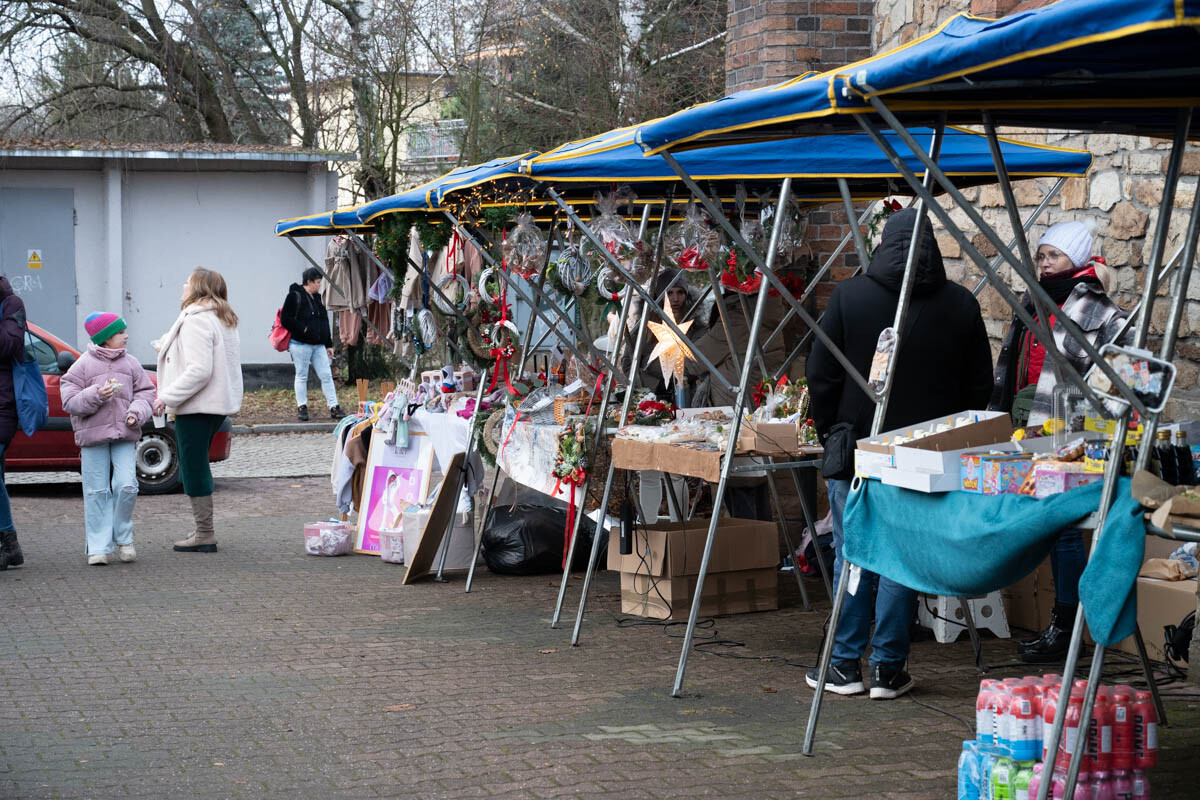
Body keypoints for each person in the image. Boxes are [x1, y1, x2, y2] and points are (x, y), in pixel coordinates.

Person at [806, 209, 993, 698]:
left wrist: (833, 429)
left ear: (883, 244)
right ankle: (889, 666)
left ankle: (844, 663)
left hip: (858, 447)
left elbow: (820, 374)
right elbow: (978, 387)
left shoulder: (850, 296)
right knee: (901, 558)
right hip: (925, 452)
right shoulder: (960, 305)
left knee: (856, 555)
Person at [989, 219, 1129, 663]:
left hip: (1074, 436)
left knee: (1066, 530)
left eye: (1054, 255)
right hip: (1028, 430)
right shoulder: (1033, 300)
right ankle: (1060, 623)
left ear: (1079, 259)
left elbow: (1119, 380)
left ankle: (1065, 628)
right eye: (1042, 255)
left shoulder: (1103, 312)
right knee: (1049, 527)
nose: (1045, 263)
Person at [153, 268, 244, 553]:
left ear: (199, 289)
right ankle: (203, 529)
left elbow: (199, 370)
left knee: (193, 467)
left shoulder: (197, 320)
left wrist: (166, 396)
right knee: (196, 464)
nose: (182, 285)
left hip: (197, 405)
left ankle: (205, 533)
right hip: (214, 405)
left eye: (188, 282)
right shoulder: (222, 318)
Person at [60, 312, 156, 565]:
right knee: (96, 491)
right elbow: (69, 401)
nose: (126, 336)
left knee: (127, 485)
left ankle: (124, 539)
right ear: (105, 338)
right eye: (120, 332)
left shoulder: (131, 363)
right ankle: (98, 547)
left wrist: (136, 413)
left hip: (124, 435)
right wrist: (96, 394)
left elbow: (146, 393)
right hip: (93, 438)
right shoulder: (82, 365)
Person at [281, 267, 343, 421]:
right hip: (300, 344)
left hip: (319, 345)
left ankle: (334, 407)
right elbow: (285, 319)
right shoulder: (294, 296)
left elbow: (324, 321)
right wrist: (304, 329)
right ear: (308, 282)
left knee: (326, 376)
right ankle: (302, 407)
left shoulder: (317, 298)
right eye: (317, 282)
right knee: (302, 376)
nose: (319, 286)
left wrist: (328, 344)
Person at [0, 276, 28, 570]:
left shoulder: (11, 303)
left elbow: (9, 344)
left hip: (3, 403)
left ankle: (8, 542)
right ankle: (9, 546)